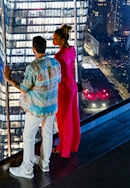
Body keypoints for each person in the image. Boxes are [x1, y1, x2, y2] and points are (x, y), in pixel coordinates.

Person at [3, 35, 61, 179]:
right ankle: (45, 163)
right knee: (47, 133)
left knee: (28, 136)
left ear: (33, 49)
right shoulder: (55, 63)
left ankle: (27, 169)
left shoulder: (33, 67)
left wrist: (9, 79)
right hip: (52, 106)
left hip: (37, 108)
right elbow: (57, 81)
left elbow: (24, 88)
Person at [53, 24, 81, 158]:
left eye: (55, 38)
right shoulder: (72, 50)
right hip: (73, 86)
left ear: (61, 40)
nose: (53, 41)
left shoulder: (58, 56)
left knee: (63, 119)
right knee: (73, 116)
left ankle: (63, 148)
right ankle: (73, 144)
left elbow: (57, 76)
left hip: (64, 87)